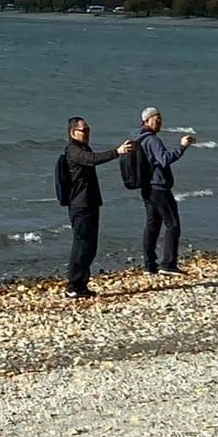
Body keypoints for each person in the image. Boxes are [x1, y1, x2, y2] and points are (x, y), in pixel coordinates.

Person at [61, 116, 135, 299]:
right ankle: (73, 285)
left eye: (88, 130)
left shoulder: (83, 148)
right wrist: (117, 152)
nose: (87, 134)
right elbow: (93, 159)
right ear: (73, 133)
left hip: (90, 202)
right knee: (81, 244)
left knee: (90, 246)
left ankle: (81, 284)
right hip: (80, 205)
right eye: (83, 131)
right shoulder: (73, 151)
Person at [134, 106, 195, 276]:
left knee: (152, 225)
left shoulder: (138, 138)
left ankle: (149, 265)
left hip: (147, 188)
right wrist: (182, 147)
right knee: (173, 225)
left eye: (160, 119)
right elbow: (165, 159)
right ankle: (168, 264)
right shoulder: (152, 140)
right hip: (158, 188)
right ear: (146, 121)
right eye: (156, 119)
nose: (159, 122)